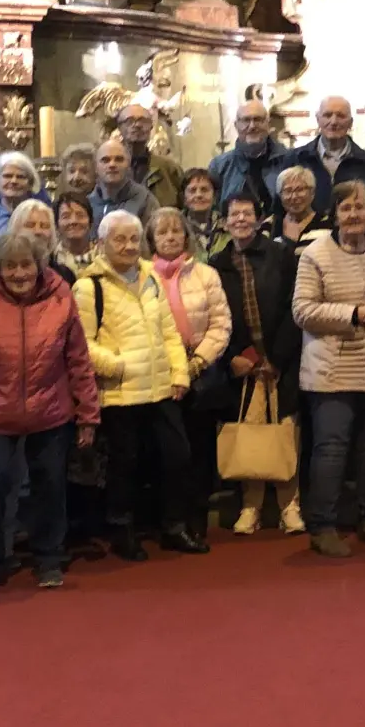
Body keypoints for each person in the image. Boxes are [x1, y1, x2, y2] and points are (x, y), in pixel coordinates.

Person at [0, 232, 100, 596]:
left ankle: (48, 556)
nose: (19, 273)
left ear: (39, 265)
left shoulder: (61, 293)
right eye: (10, 266)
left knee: (50, 486)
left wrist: (88, 413)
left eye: (26, 264)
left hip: (51, 410)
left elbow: (77, 357)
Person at [73, 210, 203, 560]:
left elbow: (169, 331)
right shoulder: (89, 287)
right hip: (120, 390)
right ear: (101, 243)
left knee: (177, 456)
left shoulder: (150, 277)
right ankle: (122, 529)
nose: (129, 246)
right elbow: (81, 344)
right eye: (120, 239)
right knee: (124, 464)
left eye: (134, 239)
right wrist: (117, 366)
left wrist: (180, 372)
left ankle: (174, 526)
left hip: (161, 385)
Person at [293, 180, 365, 557]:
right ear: (335, 214)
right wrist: (353, 315)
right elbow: (303, 311)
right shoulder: (315, 254)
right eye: (346, 208)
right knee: (331, 449)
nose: (354, 215)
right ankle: (322, 525)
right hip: (332, 370)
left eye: (360, 207)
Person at [212, 192, 305, 535]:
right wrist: (238, 356)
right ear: (223, 221)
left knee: (285, 431)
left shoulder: (282, 256)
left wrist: (275, 358)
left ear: (259, 218)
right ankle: (250, 505)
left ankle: (289, 505)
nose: (240, 219)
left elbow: (293, 307)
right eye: (233, 214)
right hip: (242, 364)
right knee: (249, 433)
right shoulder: (216, 264)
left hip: (281, 360)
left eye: (246, 213)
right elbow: (216, 316)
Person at [149, 207, 234, 541]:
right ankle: (171, 518)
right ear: (151, 240)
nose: (170, 237)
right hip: (161, 373)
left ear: (186, 236)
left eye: (176, 231)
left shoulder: (205, 274)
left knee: (199, 449)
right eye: (162, 232)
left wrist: (198, 362)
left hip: (200, 370)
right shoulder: (143, 276)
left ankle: (197, 515)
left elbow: (221, 323)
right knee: (170, 450)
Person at [286, 96, 365, 212]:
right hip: (306, 229)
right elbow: (282, 204)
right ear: (318, 119)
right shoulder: (295, 159)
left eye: (340, 116)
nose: (333, 122)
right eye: (327, 115)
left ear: (350, 123)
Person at [209, 99, 288, 216]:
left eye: (258, 119)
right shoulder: (220, 166)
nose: (252, 126)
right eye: (246, 120)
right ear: (236, 126)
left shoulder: (289, 161)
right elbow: (214, 212)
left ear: (268, 123)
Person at [117, 103, 185, 209]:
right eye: (130, 121)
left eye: (143, 121)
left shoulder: (169, 169)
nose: (137, 125)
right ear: (120, 128)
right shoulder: (110, 168)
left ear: (151, 127)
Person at [90, 139, 161, 228]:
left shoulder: (145, 201)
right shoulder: (88, 203)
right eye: (105, 160)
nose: (112, 164)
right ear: (96, 167)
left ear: (128, 165)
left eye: (119, 159)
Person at [8, 198, 76, 285]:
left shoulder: (65, 275)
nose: (38, 231)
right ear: (15, 230)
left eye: (44, 226)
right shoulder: (1, 272)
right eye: (30, 225)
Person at [273, 164, 332, 259]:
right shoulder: (270, 225)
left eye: (300, 189)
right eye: (288, 191)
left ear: (312, 193)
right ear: (280, 196)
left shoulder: (328, 224)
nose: (294, 196)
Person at [0, 152, 43, 236]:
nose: (14, 181)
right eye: (7, 176)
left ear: (30, 183)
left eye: (20, 177)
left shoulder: (41, 214)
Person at [180, 168, 231, 259]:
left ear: (215, 196)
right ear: (184, 197)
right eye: (192, 190)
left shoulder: (229, 227)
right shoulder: (175, 227)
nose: (198, 195)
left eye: (204, 190)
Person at [54, 191, 100, 273]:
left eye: (80, 216)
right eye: (66, 216)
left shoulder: (103, 255)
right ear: (56, 224)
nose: (73, 221)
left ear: (91, 222)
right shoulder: (50, 259)